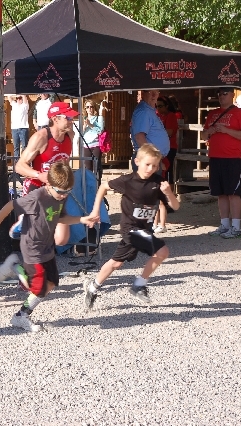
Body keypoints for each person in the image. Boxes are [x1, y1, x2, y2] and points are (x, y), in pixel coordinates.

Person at [0, 162, 99, 332]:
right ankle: (16, 274)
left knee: (51, 283)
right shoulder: (37, 197)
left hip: (47, 247)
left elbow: (60, 217)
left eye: (68, 191)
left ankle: (20, 313)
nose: (63, 195)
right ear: (49, 184)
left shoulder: (61, 196)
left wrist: (81, 219)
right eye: (60, 192)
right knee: (38, 287)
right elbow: (12, 205)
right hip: (32, 247)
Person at [84, 143, 180, 309]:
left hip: (144, 230)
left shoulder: (158, 182)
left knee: (116, 263)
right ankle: (139, 285)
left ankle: (92, 287)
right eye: (147, 164)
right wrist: (95, 210)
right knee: (162, 251)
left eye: (155, 166)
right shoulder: (127, 181)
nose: (151, 169)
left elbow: (176, 206)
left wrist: (169, 193)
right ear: (137, 162)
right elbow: (104, 186)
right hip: (130, 229)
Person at [14, 101, 77, 247]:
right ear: (55, 119)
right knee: (37, 236)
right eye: (67, 118)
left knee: (61, 239)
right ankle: (25, 224)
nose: (71, 121)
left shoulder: (70, 135)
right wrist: (39, 175)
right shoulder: (41, 137)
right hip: (37, 188)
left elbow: (64, 162)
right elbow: (19, 166)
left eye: (72, 117)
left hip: (57, 191)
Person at [202, 88, 241, 239]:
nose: (221, 96)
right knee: (220, 193)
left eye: (225, 93)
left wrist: (226, 130)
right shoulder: (212, 113)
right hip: (215, 156)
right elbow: (203, 135)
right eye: (219, 94)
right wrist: (210, 131)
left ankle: (236, 227)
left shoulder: (239, 113)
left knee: (233, 192)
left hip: (232, 157)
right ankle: (224, 224)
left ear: (232, 95)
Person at [153, 96, 179, 233]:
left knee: (167, 174)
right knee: (161, 175)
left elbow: (170, 132)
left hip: (169, 148)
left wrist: (157, 131)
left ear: (167, 106)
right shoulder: (157, 116)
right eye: (157, 106)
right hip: (158, 148)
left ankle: (169, 200)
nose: (158, 108)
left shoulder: (171, 116)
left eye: (161, 106)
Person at [130, 90, 170, 171]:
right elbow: (139, 137)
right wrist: (153, 160)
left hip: (151, 160)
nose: (154, 95)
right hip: (148, 161)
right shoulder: (143, 111)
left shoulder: (150, 110)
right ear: (143, 94)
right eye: (150, 92)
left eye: (156, 92)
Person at [80, 99, 105, 174]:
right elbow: (80, 134)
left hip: (96, 145)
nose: (89, 109)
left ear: (94, 108)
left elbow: (100, 131)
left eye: (91, 107)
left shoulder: (98, 118)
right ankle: (89, 181)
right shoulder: (83, 119)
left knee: (96, 167)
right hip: (86, 145)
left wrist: (90, 125)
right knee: (88, 168)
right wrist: (84, 126)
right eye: (87, 107)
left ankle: (97, 181)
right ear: (85, 109)